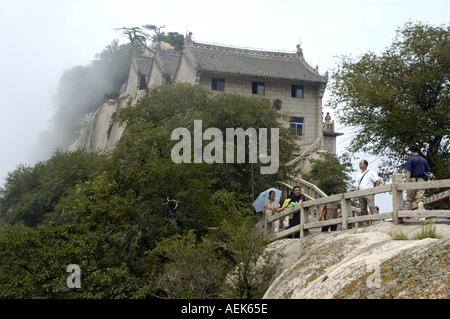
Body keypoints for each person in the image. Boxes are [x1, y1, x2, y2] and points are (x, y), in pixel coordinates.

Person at [355, 160, 381, 226]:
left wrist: (375, 190)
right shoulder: (358, 174)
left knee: (372, 207)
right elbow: (356, 185)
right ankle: (365, 223)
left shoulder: (370, 172)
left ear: (365, 165)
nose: (359, 165)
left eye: (361, 164)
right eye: (359, 164)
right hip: (361, 193)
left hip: (369, 192)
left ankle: (375, 220)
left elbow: (378, 180)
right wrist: (356, 194)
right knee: (363, 209)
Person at [406, 143, 430, 212]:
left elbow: (408, 172)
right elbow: (427, 171)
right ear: (418, 150)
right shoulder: (424, 160)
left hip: (412, 180)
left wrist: (407, 182)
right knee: (420, 199)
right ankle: (420, 215)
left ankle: (408, 215)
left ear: (411, 151)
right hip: (421, 180)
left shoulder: (410, 160)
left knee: (410, 199)